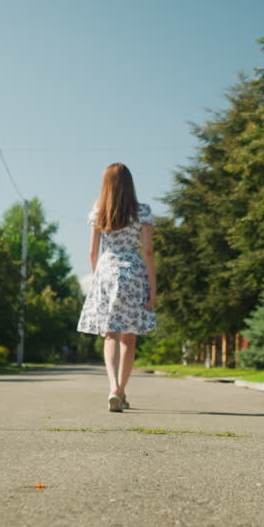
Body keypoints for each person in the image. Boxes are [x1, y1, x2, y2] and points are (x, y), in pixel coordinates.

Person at [76, 163, 157, 412]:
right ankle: (121, 390)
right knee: (128, 336)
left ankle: (112, 387)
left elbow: (92, 251)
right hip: (132, 271)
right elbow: (148, 251)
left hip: (106, 270)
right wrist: (152, 287)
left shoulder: (99, 211)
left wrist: (97, 278)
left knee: (110, 334)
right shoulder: (142, 211)